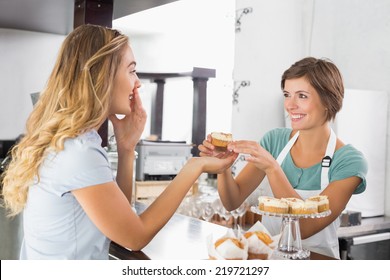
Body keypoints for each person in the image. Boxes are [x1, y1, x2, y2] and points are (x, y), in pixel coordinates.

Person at [0, 24, 237, 260]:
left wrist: (126, 148)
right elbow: (134, 237)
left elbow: (118, 223)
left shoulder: (70, 142)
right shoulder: (79, 153)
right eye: (131, 70)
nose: (138, 82)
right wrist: (194, 166)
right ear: (102, 75)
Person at [199, 57, 368, 259]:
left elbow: (304, 228)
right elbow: (232, 201)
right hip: (269, 259)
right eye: (287, 94)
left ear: (327, 101)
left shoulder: (349, 161)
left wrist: (273, 169)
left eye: (302, 96)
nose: (290, 105)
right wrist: (223, 167)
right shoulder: (275, 141)